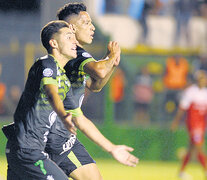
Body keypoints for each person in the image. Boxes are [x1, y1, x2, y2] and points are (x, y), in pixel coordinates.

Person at [45, 2, 138, 179]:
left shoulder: (74, 54)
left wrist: (111, 63)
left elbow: (95, 85)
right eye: (87, 23)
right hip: (53, 137)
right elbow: (99, 71)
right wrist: (110, 58)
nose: (92, 27)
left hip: (66, 135)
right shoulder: (75, 54)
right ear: (71, 28)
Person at [4, 20, 79, 180]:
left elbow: (81, 119)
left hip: (23, 149)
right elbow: (51, 92)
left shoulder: (64, 80)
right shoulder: (46, 64)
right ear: (54, 43)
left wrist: (111, 147)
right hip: (27, 150)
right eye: (69, 37)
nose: (75, 41)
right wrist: (62, 114)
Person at [171, 70, 207, 179]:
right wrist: (176, 122)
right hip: (193, 125)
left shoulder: (205, 93)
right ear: (197, 79)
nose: (203, 81)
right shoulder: (191, 92)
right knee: (199, 147)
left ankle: (181, 172)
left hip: (201, 125)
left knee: (191, 149)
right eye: (201, 78)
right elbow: (182, 108)